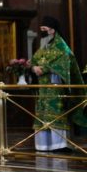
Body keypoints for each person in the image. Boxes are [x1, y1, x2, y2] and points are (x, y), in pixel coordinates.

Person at [30, 17, 87, 153]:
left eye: (44, 29)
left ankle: (58, 145)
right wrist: (33, 68)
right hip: (42, 89)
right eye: (41, 30)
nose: (42, 32)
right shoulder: (44, 46)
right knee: (43, 116)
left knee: (55, 115)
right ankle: (43, 145)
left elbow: (63, 60)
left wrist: (42, 69)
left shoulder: (61, 46)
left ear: (52, 30)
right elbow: (33, 61)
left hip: (55, 87)